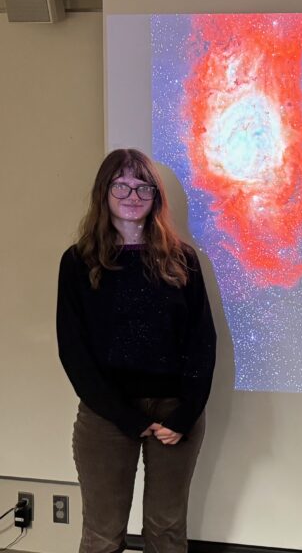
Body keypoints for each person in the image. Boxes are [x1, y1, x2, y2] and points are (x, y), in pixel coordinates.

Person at [56, 149, 217, 553]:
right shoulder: (77, 262)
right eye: (122, 185)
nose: (133, 195)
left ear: (155, 196)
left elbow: (202, 342)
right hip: (106, 414)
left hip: (174, 415)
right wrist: (125, 417)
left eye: (143, 186)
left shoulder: (183, 260)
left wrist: (185, 415)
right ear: (104, 192)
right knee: (102, 534)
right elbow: (74, 351)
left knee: (166, 531)